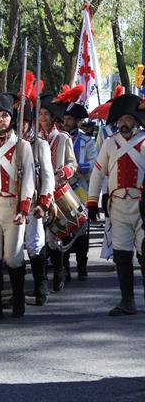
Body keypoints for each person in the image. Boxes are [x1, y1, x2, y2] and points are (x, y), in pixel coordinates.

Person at [88, 94, 145, 316]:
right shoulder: (110, 144)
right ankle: (127, 301)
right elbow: (97, 173)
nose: (124, 123)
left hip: (142, 207)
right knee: (121, 255)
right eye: (120, 120)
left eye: (128, 119)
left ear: (136, 121)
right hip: (118, 207)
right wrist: (92, 203)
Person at [0, 93, 34, 319]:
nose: (1, 120)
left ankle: (18, 299)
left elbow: (29, 181)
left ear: (12, 119)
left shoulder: (22, 146)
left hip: (14, 205)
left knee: (13, 257)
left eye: (5, 115)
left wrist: (23, 208)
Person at [38, 92, 78, 291]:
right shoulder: (33, 139)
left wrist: (63, 172)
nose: (43, 117)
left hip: (58, 191)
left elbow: (73, 164)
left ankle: (59, 270)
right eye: (41, 113)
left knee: (53, 236)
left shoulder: (63, 138)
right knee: (40, 236)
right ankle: (43, 276)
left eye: (46, 113)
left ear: (54, 117)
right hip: (39, 193)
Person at [21, 102, 55, 307]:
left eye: (23, 122)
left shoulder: (39, 143)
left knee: (35, 244)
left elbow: (48, 177)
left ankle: (40, 287)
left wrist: (44, 202)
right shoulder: (7, 142)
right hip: (9, 201)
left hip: (33, 202)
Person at [62, 103, 97, 281]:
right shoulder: (59, 138)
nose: (65, 121)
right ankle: (65, 266)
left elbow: (94, 160)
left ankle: (82, 266)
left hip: (81, 189)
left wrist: (87, 166)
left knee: (82, 228)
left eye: (69, 119)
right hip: (63, 189)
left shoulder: (86, 140)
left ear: (76, 121)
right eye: (65, 118)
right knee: (64, 227)